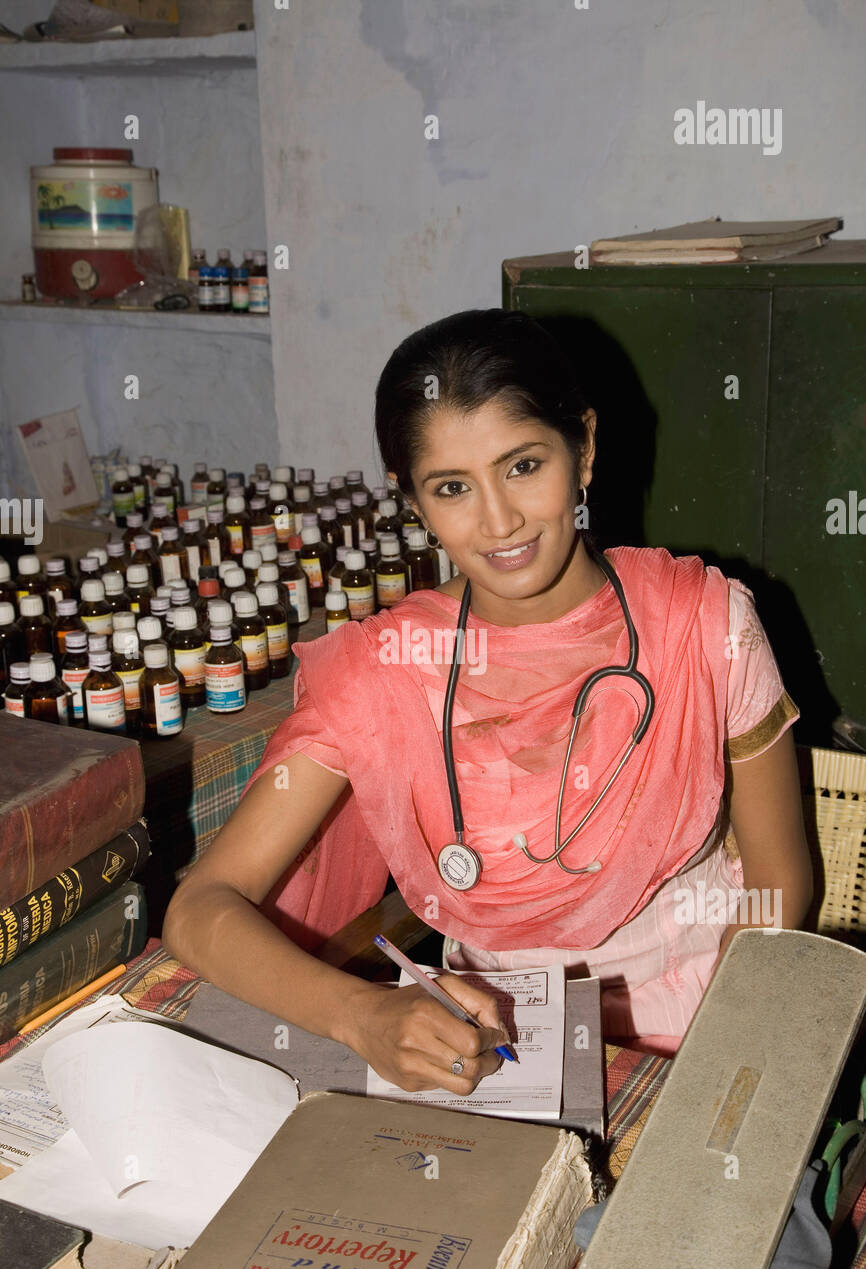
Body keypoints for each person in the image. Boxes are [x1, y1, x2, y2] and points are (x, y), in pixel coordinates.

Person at [163, 308, 813, 1092]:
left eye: (524, 466)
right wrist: (360, 1014)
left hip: (695, 1032)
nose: (499, 521)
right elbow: (202, 907)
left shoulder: (704, 624)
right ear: (412, 499)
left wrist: (723, 1071)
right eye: (452, 488)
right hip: (500, 1054)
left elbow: (779, 882)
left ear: (586, 449)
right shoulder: (387, 672)